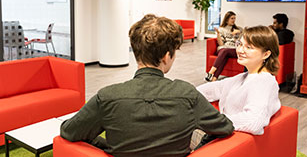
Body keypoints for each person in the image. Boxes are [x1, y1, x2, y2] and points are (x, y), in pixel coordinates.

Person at [60, 14, 234, 156]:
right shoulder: (187, 94)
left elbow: (69, 131)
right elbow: (225, 128)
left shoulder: (107, 96)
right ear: (167, 56)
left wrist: (108, 147)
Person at [198, 26, 281, 135]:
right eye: (240, 44)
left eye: (249, 47)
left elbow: (254, 121)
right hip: (221, 131)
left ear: (266, 54)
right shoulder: (246, 76)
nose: (240, 50)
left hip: (225, 138)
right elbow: (215, 88)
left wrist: (212, 121)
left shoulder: (263, 82)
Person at [205, 11, 242, 82]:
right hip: (224, 49)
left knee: (225, 51)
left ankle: (210, 72)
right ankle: (214, 79)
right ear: (227, 19)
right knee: (224, 54)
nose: (234, 20)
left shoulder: (238, 29)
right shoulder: (221, 29)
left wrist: (237, 34)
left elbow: (242, 39)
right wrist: (218, 34)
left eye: (234, 18)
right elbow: (221, 44)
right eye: (232, 18)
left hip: (234, 49)